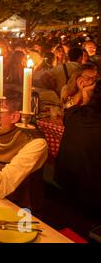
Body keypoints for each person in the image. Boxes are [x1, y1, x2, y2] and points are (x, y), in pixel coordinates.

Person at [55, 79, 101, 212]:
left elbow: (68, 109)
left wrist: (84, 93)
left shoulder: (74, 115)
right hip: (92, 192)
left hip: (65, 182)